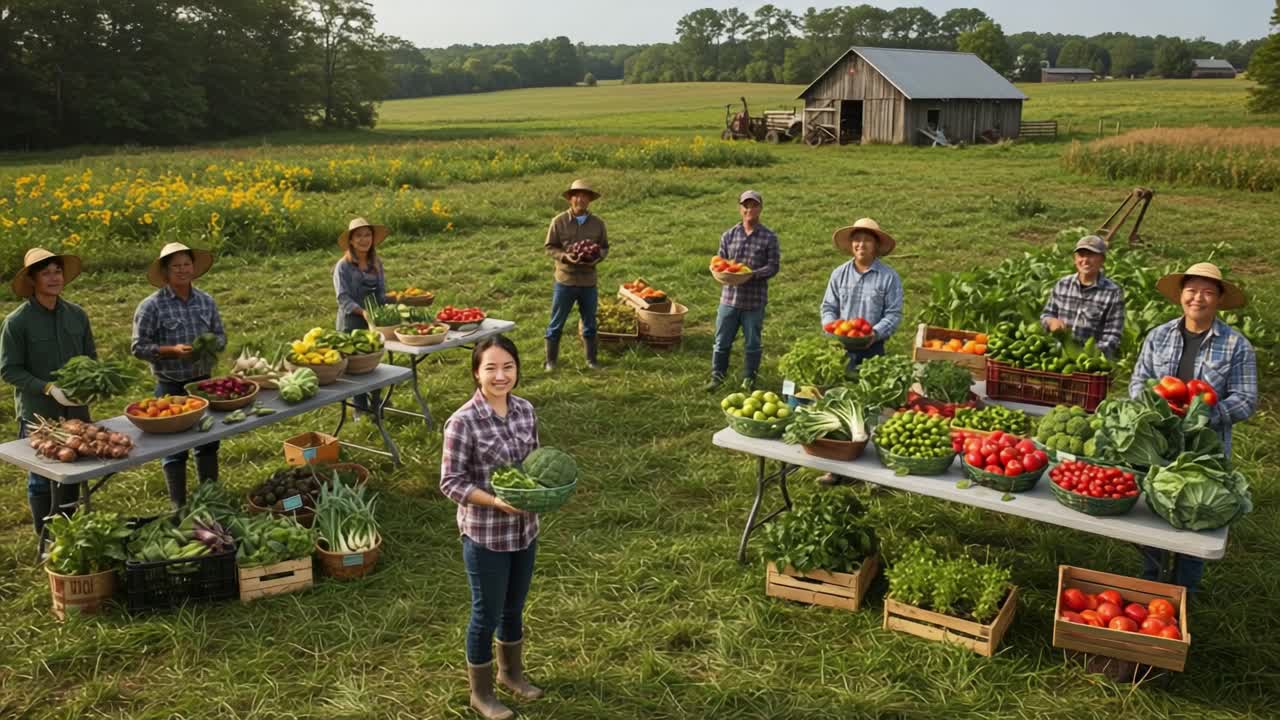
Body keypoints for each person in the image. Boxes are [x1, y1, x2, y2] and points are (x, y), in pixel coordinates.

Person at [1129, 262, 1257, 592]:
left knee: (1198, 514)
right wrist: (1156, 409)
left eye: (1207, 292)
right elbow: (1138, 383)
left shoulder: (1236, 345)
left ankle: (1185, 592)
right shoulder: (1158, 336)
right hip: (1160, 443)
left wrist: (1203, 415)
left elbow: (1245, 399)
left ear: (1218, 299)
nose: (1197, 298)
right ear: (1181, 296)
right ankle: (1151, 580)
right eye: (1191, 290)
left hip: (1206, 449)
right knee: (1155, 511)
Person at [440, 335, 543, 720]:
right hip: (486, 535)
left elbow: (535, 463)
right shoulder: (462, 422)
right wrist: (496, 501)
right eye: (491, 368)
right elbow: (450, 482)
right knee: (486, 612)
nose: (501, 376)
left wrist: (544, 490)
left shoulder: (525, 411)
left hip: (525, 530)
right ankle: (480, 694)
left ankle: (510, 674)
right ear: (476, 373)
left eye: (508, 367)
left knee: (514, 607)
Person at [1, 248, 95, 534]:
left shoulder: (77, 315)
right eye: (46, 273)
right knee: (42, 478)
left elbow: (91, 358)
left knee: (74, 470)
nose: (54, 278)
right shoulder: (16, 322)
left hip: (76, 410)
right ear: (32, 280)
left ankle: (68, 533)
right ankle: (45, 538)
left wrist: (91, 384)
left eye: (57, 271)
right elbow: (8, 369)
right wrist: (48, 388)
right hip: (39, 413)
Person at [131, 242, 227, 509]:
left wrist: (210, 345)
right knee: (174, 449)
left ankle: (210, 498)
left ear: (194, 268)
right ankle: (179, 505)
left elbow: (221, 336)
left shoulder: (206, 301)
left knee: (208, 443)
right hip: (170, 388)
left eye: (187, 264)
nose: (183, 270)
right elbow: (138, 347)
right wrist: (170, 351)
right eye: (176, 266)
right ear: (165, 272)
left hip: (203, 385)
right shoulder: (151, 306)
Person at [706, 190, 781, 392]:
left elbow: (773, 266)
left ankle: (749, 379)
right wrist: (720, 271)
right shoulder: (729, 235)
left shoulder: (769, 237)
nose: (749, 209)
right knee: (721, 341)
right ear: (740, 208)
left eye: (753, 205)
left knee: (753, 342)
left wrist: (752, 274)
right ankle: (717, 377)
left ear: (760, 208)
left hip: (754, 300)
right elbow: (719, 261)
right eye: (745, 205)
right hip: (729, 298)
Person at [821, 218, 904, 371]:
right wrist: (831, 327)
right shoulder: (839, 274)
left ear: (876, 245)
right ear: (851, 244)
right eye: (857, 240)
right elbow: (828, 307)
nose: (861, 244)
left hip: (873, 347)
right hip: (841, 345)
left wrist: (875, 333)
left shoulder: (889, 277)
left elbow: (893, 314)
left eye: (867, 240)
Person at [543, 179, 608, 372]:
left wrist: (597, 259)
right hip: (566, 280)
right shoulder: (559, 221)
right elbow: (550, 247)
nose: (580, 199)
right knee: (556, 323)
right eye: (576, 196)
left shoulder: (598, 224)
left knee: (589, 322)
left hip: (588, 281)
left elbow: (604, 247)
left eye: (584, 196)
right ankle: (550, 362)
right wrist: (564, 257)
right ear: (570, 199)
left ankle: (591, 360)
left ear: (589, 200)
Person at [333, 217, 388, 414]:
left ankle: (376, 402)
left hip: (372, 322)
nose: (364, 239)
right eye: (359, 236)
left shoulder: (376, 263)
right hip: (351, 322)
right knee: (356, 367)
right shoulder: (343, 266)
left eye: (367, 235)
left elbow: (381, 293)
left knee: (374, 364)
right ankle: (360, 408)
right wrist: (363, 312)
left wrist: (397, 300)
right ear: (351, 241)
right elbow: (343, 298)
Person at [1040, 235, 1125, 358]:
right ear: (1075, 259)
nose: (1085, 260)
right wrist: (1051, 321)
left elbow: (1113, 334)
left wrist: (1090, 356)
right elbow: (1047, 315)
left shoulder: (1112, 292)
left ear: (1102, 260)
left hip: (1090, 362)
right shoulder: (1063, 284)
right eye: (1081, 255)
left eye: (1091, 255)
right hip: (1057, 357)